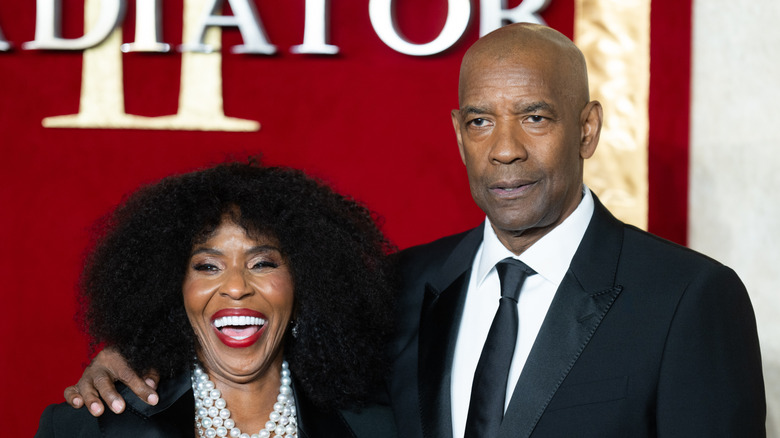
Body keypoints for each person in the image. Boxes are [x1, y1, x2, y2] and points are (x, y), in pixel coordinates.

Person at [63, 23, 766, 437]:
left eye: (537, 116)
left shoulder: (688, 300)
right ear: (458, 134)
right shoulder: (398, 289)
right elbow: (251, 342)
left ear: (587, 129)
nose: (506, 149)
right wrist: (131, 364)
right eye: (481, 121)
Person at [37, 162, 397, 437]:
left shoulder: (382, 425)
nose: (237, 287)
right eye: (208, 266)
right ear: (171, 289)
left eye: (262, 263)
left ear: (306, 283)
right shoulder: (86, 428)